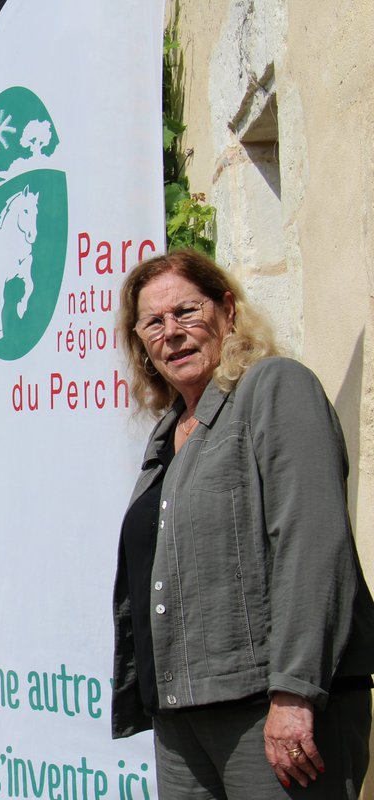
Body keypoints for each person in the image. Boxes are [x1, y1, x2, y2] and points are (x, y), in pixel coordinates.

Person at [111, 250, 374, 798]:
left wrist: (295, 692)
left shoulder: (274, 387)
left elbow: (311, 543)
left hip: (270, 710)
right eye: (153, 322)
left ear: (227, 311)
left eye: (186, 311)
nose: (171, 332)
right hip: (182, 713)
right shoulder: (168, 433)